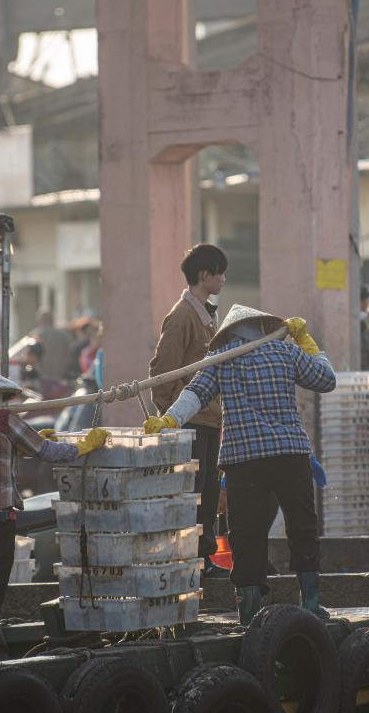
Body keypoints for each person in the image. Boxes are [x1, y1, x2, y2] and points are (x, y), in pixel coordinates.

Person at [144, 306, 337, 624]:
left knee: (246, 537)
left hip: (243, 460)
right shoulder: (285, 351)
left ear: (229, 333)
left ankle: (249, 614)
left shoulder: (221, 359)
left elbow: (195, 394)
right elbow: (326, 379)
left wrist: (169, 420)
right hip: (290, 454)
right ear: (261, 327)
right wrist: (307, 341)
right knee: (302, 528)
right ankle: (311, 604)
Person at [0, 360, 107, 661]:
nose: (4, 402)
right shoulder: (2, 419)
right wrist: (82, 447)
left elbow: (2, 451)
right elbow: (45, 452)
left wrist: (35, 442)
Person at [149, 243, 230, 580]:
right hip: (190, 420)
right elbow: (162, 370)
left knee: (208, 492)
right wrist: (171, 415)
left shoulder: (207, 316)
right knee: (193, 493)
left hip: (210, 419)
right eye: (219, 273)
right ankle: (191, 560)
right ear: (204, 275)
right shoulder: (182, 316)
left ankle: (203, 558)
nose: (223, 280)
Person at [30, 308, 71, 381]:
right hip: (60, 376)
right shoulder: (63, 336)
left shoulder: (36, 335)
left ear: (40, 320)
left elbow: (30, 357)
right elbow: (68, 356)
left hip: (42, 377)